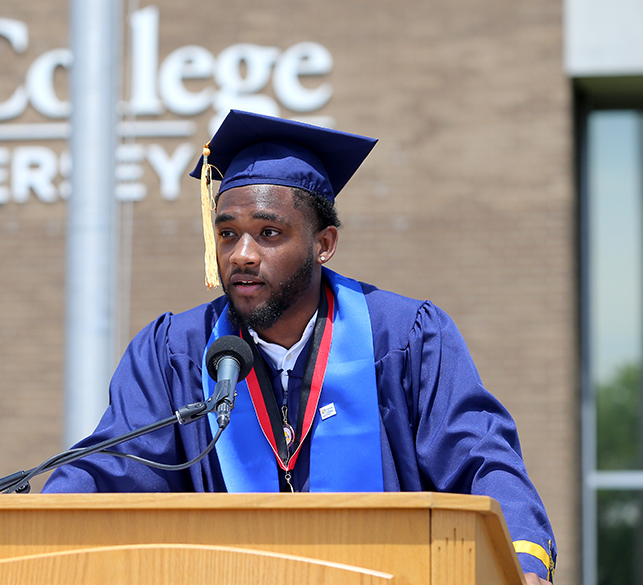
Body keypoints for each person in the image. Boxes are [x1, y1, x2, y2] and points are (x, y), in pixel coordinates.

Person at [43, 110, 557, 584]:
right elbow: (112, 467)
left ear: (323, 243)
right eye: (227, 234)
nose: (242, 255)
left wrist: (522, 558)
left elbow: (478, 456)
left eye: (269, 232)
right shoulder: (175, 354)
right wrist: (34, 526)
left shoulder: (405, 339)